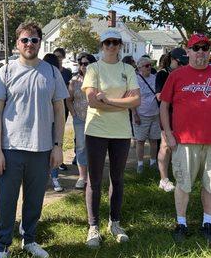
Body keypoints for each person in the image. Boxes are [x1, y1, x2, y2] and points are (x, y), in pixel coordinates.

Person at [0, 22, 68, 258]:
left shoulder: (52, 72)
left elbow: (60, 111)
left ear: (40, 43)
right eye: (25, 40)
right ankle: (2, 246)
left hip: (42, 149)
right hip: (10, 148)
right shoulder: (6, 72)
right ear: (17, 44)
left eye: (34, 40)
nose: (29, 44)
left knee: (34, 201)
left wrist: (58, 147)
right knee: (7, 202)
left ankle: (29, 240)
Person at [160, 33, 211, 245]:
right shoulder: (177, 76)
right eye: (196, 48)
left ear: (209, 51)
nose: (201, 52)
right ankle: (181, 223)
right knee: (183, 184)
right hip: (184, 141)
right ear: (188, 51)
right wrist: (168, 133)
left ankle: (207, 223)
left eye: (205, 48)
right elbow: (164, 105)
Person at [82, 29, 140, 249]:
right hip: (96, 129)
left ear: (120, 45)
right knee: (94, 180)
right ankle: (93, 226)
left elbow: (136, 100)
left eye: (116, 42)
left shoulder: (128, 69)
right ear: (101, 45)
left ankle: (114, 223)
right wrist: (121, 102)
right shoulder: (93, 68)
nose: (111, 46)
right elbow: (92, 102)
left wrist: (108, 99)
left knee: (117, 179)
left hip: (121, 132)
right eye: (107, 42)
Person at [155, 48, 188, 192]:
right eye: (180, 63)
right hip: (167, 114)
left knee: (180, 146)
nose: (182, 67)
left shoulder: (185, 74)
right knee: (166, 145)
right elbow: (159, 96)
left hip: (182, 114)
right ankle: (164, 179)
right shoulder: (163, 74)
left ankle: (179, 176)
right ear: (173, 60)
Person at [67, 53, 96, 189]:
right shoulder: (74, 81)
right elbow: (69, 99)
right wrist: (73, 114)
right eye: (81, 64)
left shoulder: (98, 80)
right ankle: (82, 177)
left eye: (86, 63)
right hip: (79, 118)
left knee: (95, 146)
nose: (83, 66)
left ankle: (93, 175)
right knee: (81, 147)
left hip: (96, 119)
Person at [132, 57, 160, 174]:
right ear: (139, 68)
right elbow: (132, 99)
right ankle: (140, 164)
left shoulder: (155, 78)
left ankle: (153, 162)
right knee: (140, 141)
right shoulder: (134, 80)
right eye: (147, 66)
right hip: (141, 115)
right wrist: (135, 114)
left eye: (150, 65)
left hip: (155, 114)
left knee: (154, 140)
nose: (150, 68)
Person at [43, 53, 65, 192]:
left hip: (50, 120)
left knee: (51, 150)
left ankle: (53, 178)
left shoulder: (53, 75)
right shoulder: (54, 74)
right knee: (53, 150)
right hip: (49, 120)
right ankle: (54, 179)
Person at [53, 47, 72, 171]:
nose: (58, 58)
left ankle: (60, 159)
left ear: (63, 57)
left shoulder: (67, 72)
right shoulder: (50, 70)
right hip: (50, 106)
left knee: (60, 131)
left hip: (63, 106)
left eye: (59, 56)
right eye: (55, 56)